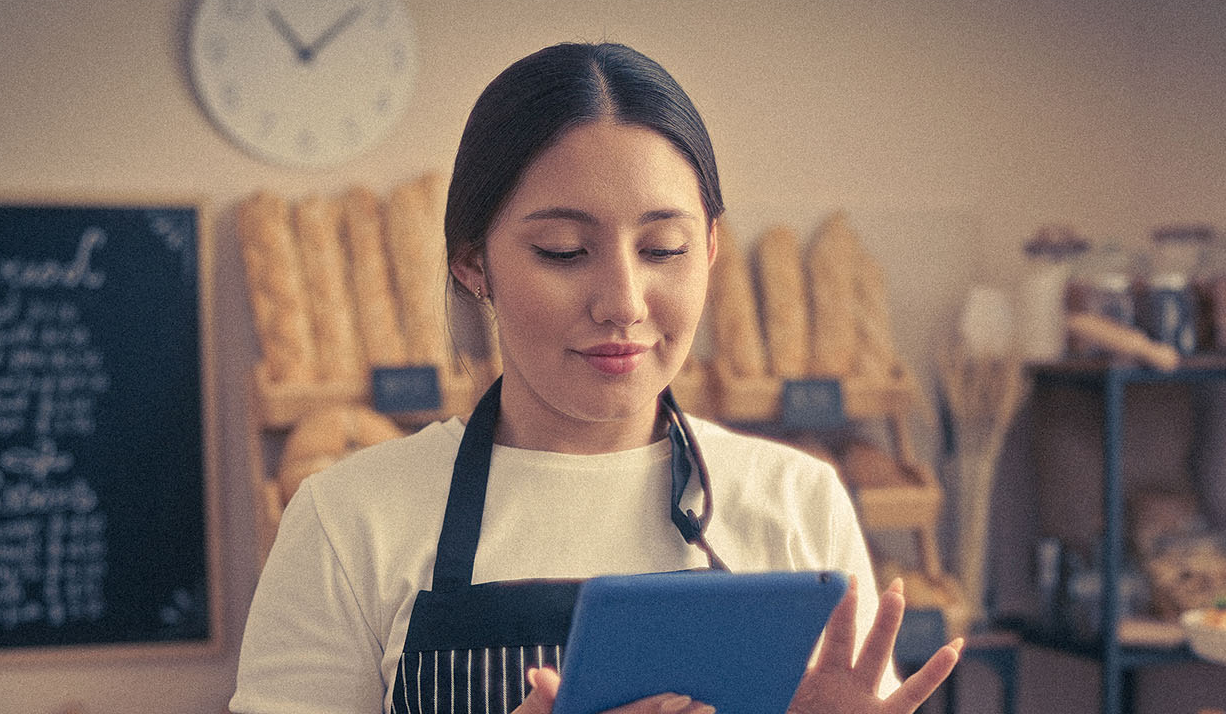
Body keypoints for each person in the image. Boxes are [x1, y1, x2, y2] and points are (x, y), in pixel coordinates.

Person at [230, 41, 961, 714]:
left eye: (663, 248)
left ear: (709, 248)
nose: (623, 302)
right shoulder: (347, 523)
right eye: (563, 250)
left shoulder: (797, 501)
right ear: (473, 262)